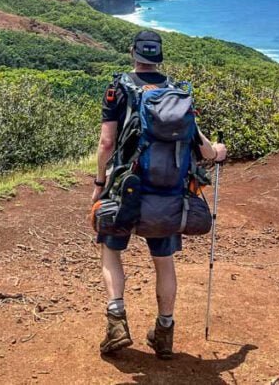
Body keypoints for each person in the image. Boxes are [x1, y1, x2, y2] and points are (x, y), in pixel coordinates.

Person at [92, 30, 227, 359]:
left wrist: (99, 184)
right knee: (164, 263)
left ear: (132, 52)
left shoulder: (119, 87)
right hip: (168, 194)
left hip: (124, 190)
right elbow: (203, 148)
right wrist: (218, 151)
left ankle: (116, 323)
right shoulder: (177, 94)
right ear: (159, 56)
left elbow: (107, 144)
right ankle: (164, 332)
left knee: (110, 251)